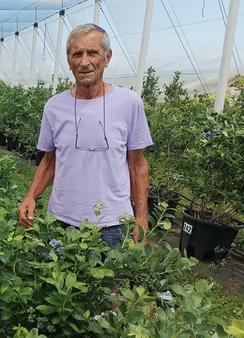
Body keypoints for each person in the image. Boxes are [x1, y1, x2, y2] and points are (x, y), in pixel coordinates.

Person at [18, 23, 152, 247]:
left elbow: (137, 165)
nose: (84, 62)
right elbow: (49, 160)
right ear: (69, 61)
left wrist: (141, 217)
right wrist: (31, 195)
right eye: (76, 54)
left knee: (108, 281)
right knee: (59, 281)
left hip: (113, 222)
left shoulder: (129, 103)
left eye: (93, 53)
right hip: (61, 219)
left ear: (107, 58)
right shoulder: (54, 106)